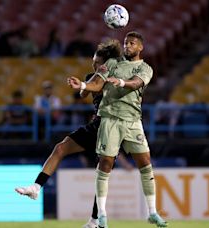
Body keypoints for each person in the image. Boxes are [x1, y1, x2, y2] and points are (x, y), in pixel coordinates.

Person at [15, 39, 133, 228]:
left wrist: (89, 84)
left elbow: (97, 88)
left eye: (97, 61)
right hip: (96, 125)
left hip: (112, 128)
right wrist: (85, 84)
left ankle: (96, 220)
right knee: (60, 148)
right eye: (93, 60)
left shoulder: (117, 76)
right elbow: (84, 94)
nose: (93, 63)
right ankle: (36, 188)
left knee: (101, 173)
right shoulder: (93, 76)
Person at [67, 31, 167, 228]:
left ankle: (152, 212)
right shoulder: (112, 64)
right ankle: (101, 216)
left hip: (133, 121)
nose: (128, 46)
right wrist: (83, 84)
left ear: (140, 47)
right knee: (105, 163)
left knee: (145, 162)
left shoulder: (145, 68)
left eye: (132, 43)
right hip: (110, 119)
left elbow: (136, 83)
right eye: (126, 43)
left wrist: (120, 82)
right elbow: (97, 83)